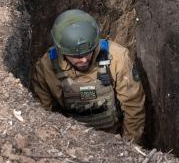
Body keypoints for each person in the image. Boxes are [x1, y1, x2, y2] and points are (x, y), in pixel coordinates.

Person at [32, 9, 145, 143]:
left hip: (113, 140)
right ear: (61, 51)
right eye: (77, 56)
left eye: (88, 52)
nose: (84, 60)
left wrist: (129, 147)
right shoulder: (46, 68)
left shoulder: (117, 58)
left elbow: (134, 107)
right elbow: (42, 113)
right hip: (72, 142)